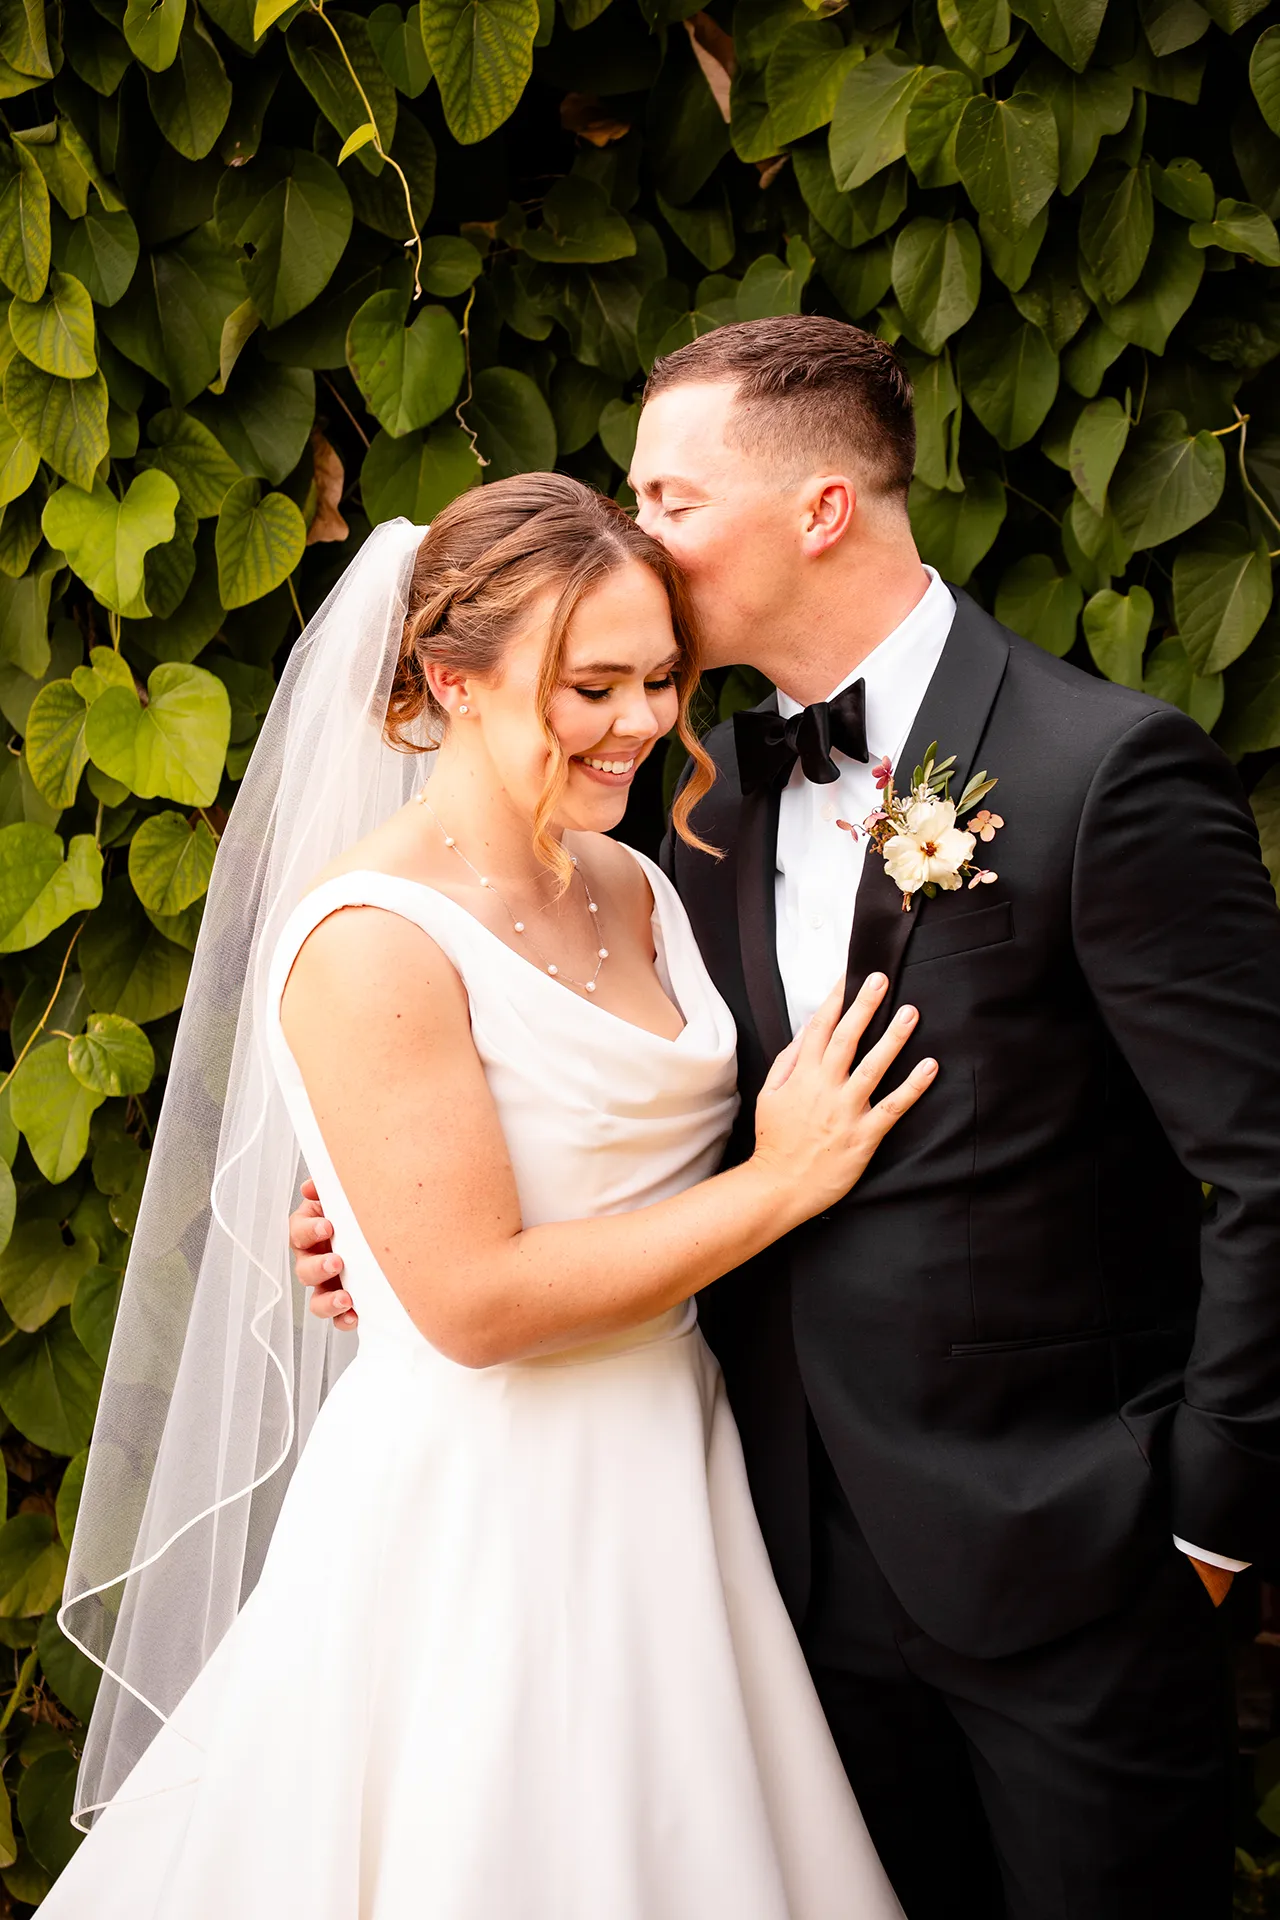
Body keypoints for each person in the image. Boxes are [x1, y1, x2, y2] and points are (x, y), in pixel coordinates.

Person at [297, 318, 1280, 1919]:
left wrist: (1210, 1531)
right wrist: (376, 1216)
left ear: (818, 509)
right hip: (757, 1577)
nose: (639, 534)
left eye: (668, 496)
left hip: (1070, 1584)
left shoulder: (1104, 773)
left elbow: (1267, 1169)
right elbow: (600, 1099)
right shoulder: (692, 796)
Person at [46, 476, 937, 1918]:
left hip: (680, 1469)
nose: (644, 722)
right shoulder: (371, 938)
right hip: (484, 1507)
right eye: (592, 686)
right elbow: (468, 1304)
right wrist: (782, 1183)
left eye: (661, 678)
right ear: (451, 681)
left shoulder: (642, 885)